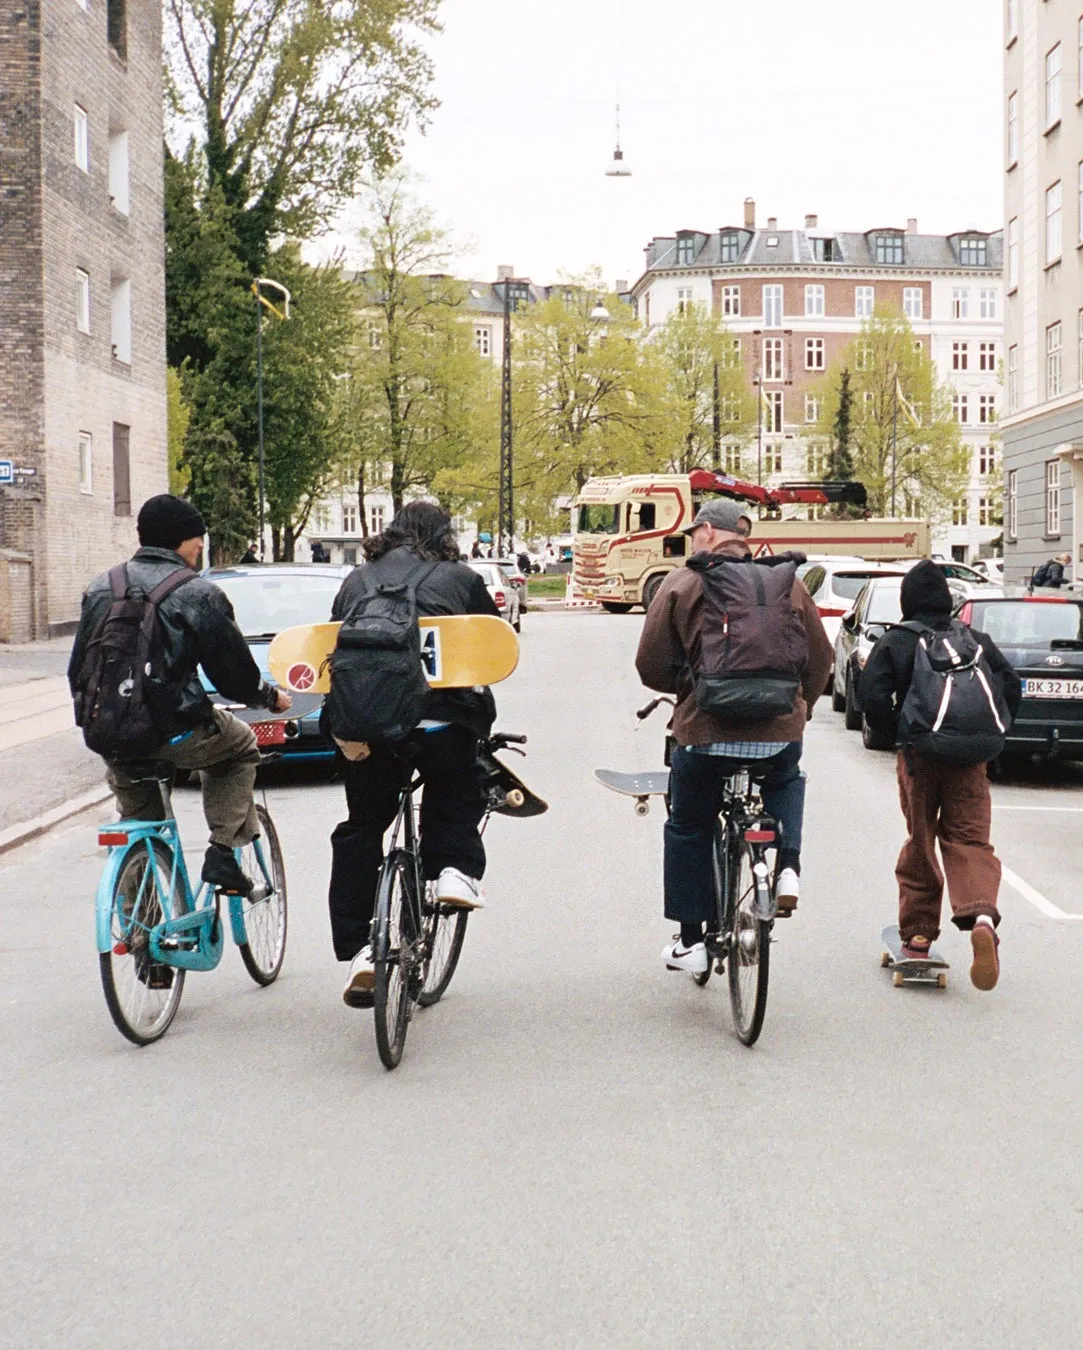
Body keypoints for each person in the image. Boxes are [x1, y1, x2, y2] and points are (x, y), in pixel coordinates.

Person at [635, 499, 831, 974]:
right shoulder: (785, 583)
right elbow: (821, 659)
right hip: (778, 733)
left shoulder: (683, 582)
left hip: (704, 735)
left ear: (705, 531)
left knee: (689, 824)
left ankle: (689, 941)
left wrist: (688, 691)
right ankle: (786, 868)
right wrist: (797, 708)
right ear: (743, 537)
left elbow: (650, 665)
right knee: (785, 778)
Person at [68, 494, 292, 895]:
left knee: (142, 827)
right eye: (197, 538)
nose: (201, 545)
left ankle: (143, 939)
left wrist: (100, 717)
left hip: (110, 734)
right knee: (239, 746)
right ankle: (223, 854)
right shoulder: (196, 593)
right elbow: (233, 676)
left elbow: (77, 669)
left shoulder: (102, 586)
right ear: (178, 540)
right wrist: (269, 699)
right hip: (176, 729)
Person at [328, 501, 500, 1008]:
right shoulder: (460, 578)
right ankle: (452, 870)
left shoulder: (357, 580)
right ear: (444, 535)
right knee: (457, 782)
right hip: (439, 721)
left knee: (362, 826)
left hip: (369, 727)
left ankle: (362, 949)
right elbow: (492, 647)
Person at [859, 560, 1021, 991]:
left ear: (907, 600)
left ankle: (917, 935)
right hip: (971, 759)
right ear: (948, 601)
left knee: (921, 838)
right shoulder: (973, 640)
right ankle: (982, 916)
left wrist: (896, 733)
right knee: (970, 839)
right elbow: (1011, 685)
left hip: (920, 757)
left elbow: (870, 694)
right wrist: (990, 732)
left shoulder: (898, 640)